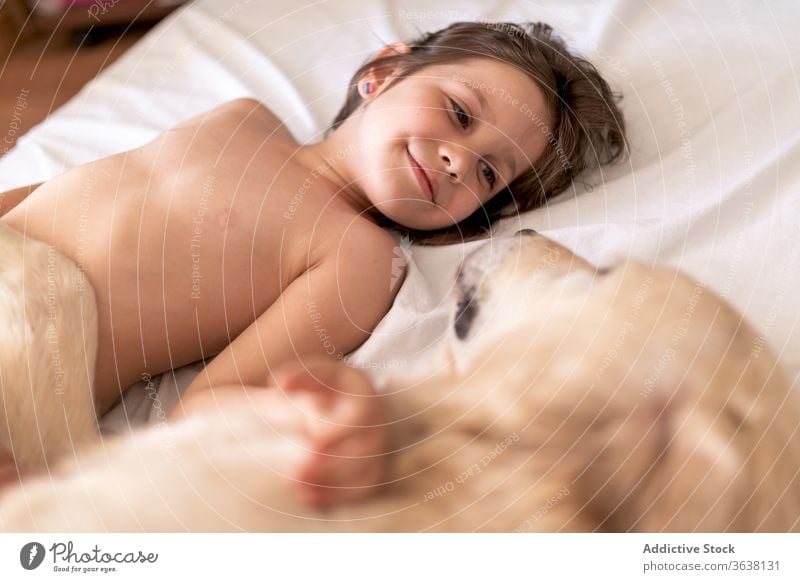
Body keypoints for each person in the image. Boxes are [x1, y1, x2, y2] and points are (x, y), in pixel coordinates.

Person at [0, 22, 626, 508]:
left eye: (489, 172)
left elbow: (210, 407)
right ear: (382, 71)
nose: (460, 161)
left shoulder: (358, 256)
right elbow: (65, 187)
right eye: (460, 114)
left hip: (30, 349)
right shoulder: (240, 117)